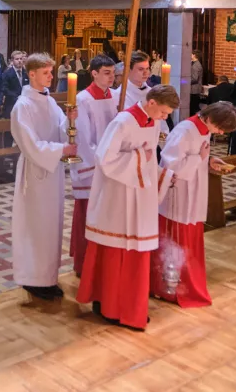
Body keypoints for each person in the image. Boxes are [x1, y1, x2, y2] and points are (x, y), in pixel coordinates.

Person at [77, 84, 178, 330]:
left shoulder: (152, 123)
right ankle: (110, 305)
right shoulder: (123, 121)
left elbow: (149, 157)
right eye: (164, 113)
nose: (165, 119)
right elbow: (104, 157)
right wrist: (140, 159)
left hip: (139, 195)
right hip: (118, 196)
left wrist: (162, 175)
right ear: (152, 103)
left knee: (136, 252)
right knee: (115, 251)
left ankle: (130, 304)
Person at [152, 101, 236, 308]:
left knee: (190, 238)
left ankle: (186, 283)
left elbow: (198, 155)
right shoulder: (185, 130)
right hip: (178, 195)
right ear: (210, 118)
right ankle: (168, 288)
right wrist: (199, 158)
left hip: (194, 193)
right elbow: (170, 165)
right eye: (219, 128)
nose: (218, 132)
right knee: (175, 243)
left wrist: (209, 161)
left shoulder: (203, 129)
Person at [11, 53, 76, 299]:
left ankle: (48, 276)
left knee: (52, 225)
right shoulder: (23, 105)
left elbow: (60, 131)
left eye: (51, 72)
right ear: (32, 74)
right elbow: (30, 144)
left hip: (53, 173)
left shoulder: (49, 101)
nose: (51, 76)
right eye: (47, 73)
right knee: (35, 226)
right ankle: (33, 278)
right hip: (35, 173)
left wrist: (69, 122)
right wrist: (60, 150)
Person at [69, 54, 118, 276]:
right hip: (94, 168)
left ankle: (103, 263)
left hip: (111, 165)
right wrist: (101, 162)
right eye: (106, 73)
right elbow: (82, 138)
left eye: (113, 73)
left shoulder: (116, 96)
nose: (111, 78)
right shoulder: (83, 99)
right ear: (94, 73)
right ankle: (84, 262)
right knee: (88, 215)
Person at [2, 50, 28, 116]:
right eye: (17, 59)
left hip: (25, 105)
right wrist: (17, 97)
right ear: (12, 61)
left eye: (21, 59)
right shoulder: (7, 73)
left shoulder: (26, 73)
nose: (19, 61)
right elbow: (5, 89)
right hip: (11, 105)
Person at [189, 50, 204, 115]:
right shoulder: (193, 63)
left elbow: (194, 78)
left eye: (191, 54)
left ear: (194, 55)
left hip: (194, 90)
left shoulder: (196, 65)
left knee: (193, 108)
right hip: (192, 90)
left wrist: (183, 81)